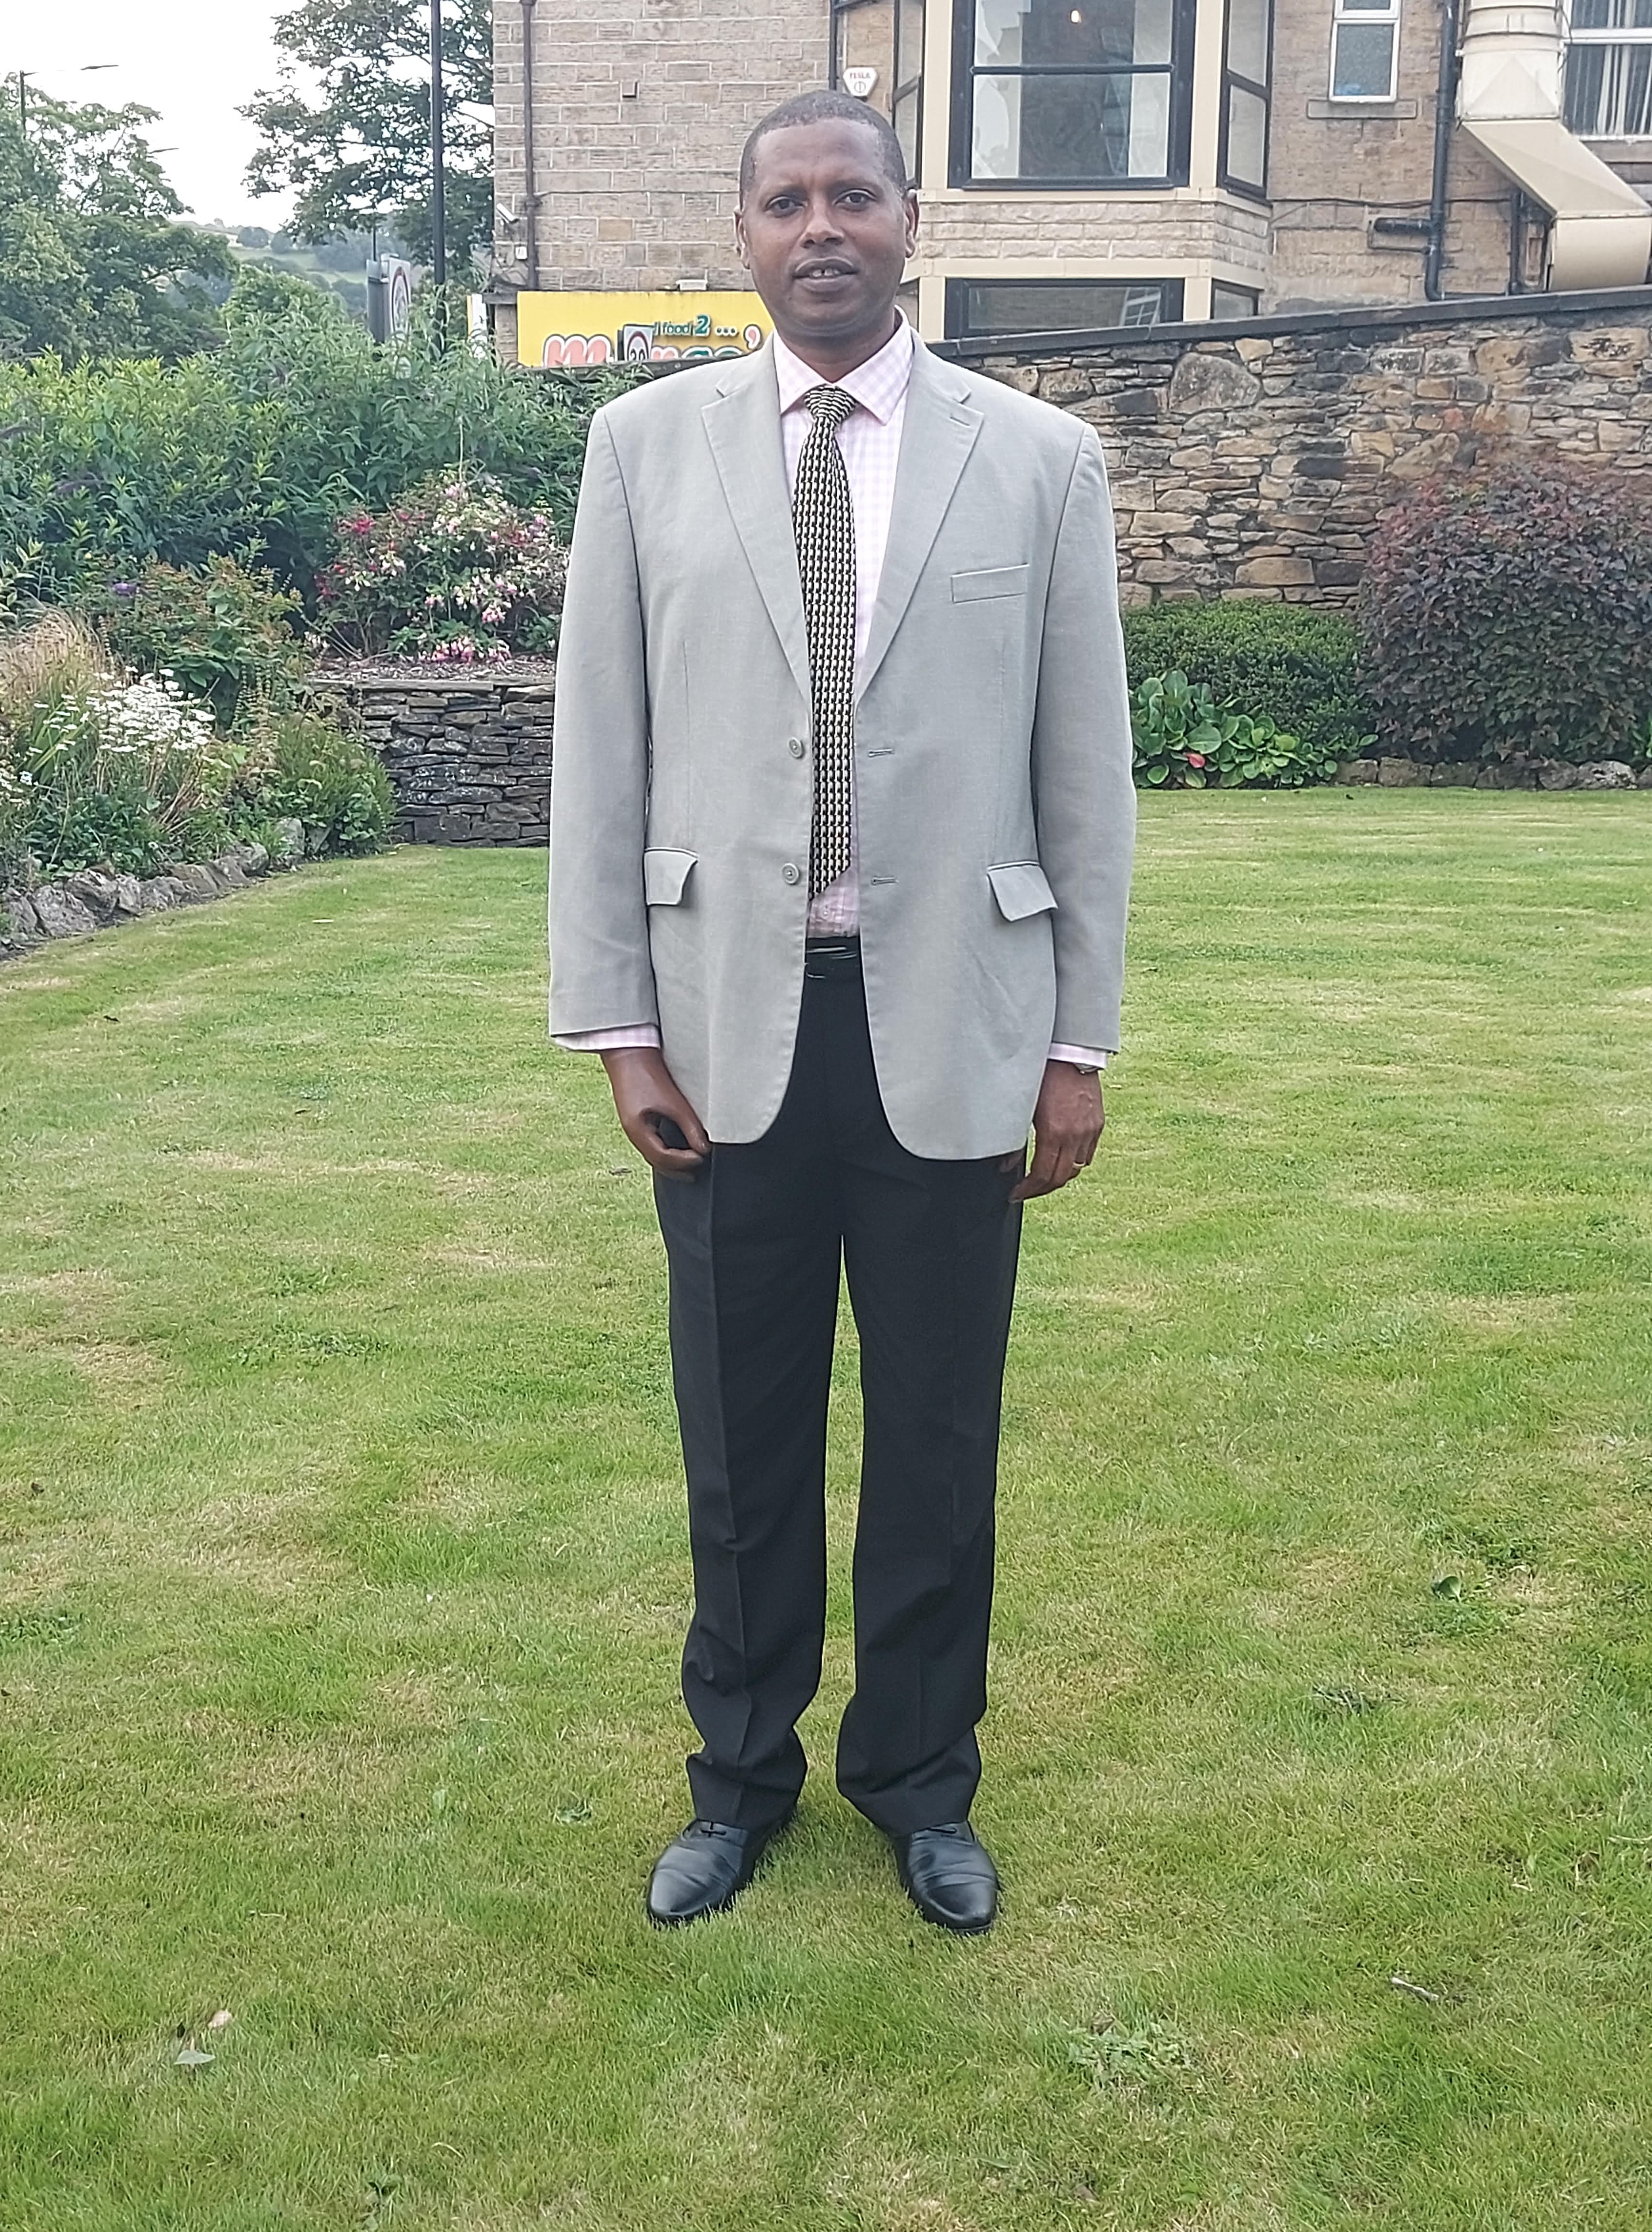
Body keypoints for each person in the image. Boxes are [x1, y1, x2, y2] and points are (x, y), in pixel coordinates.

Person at [547, 90, 1136, 1934]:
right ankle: (737, 1782)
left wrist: (1077, 1043)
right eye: (787, 199)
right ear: (744, 232)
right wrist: (618, 1027)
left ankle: (916, 1781)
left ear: (908, 222)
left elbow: (1083, 775)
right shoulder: (643, 449)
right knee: (740, 1441)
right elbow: (602, 758)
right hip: (725, 1025)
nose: (823, 226)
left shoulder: (1034, 465)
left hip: (958, 1022)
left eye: (854, 195)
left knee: (938, 1440)